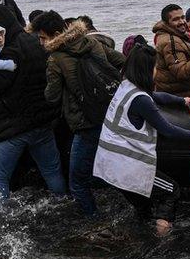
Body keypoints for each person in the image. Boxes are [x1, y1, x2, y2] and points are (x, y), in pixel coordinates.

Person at [93, 44, 190, 235]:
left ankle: (138, 236)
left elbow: (155, 96)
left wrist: (181, 100)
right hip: (126, 167)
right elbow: (168, 130)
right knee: (171, 191)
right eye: (155, 67)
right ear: (148, 70)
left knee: (145, 207)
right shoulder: (140, 100)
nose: (157, 71)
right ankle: (162, 239)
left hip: (108, 164)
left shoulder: (126, 86)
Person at [0, 6, 66, 200]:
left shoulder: (9, 49)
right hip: (43, 120)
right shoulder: (37, 41)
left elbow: (0, 82)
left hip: (14, 125)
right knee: (51, 171)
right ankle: (63, 201)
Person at [35, 13, 124, 216]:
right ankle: (124, 210)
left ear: (56, 34)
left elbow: (52, 96)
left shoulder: (55, 59)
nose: (40, 42)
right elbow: (121, 61)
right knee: (108, 169)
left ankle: (94, 221)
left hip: (85, 122)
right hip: (109, 114)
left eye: (42, 37)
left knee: (77, 183)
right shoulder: (91, 42)